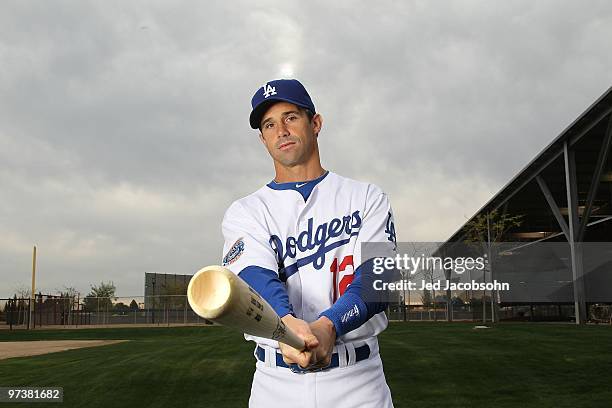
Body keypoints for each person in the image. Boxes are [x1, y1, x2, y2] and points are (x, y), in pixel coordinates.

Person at [220, 78, 396, 407]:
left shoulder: (366, 197)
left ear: (315, 123)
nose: (281, 131)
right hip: (276, 386)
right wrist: (286, 327)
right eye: (269, 124)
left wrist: (330, 326)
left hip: (357, 383)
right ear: (262, 139)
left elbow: (379, 279)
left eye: (290, 117)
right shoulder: (245, 211)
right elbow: (254, 278)